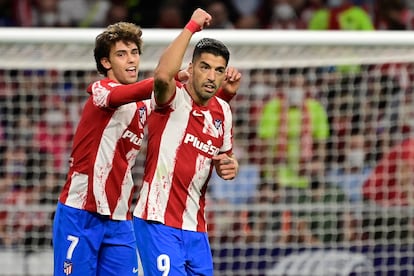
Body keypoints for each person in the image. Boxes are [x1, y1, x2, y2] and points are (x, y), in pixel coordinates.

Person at [52, 20, 239, 276]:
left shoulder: (145, 105)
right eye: (121, 54)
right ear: (106, 63)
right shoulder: (101, 91)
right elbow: (145, 87)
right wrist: (172, 75)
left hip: (119, 217)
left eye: (134, 53)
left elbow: (187, 119)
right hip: (81, 211)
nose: (131, 60)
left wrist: (221, 97)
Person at [132, 8, 241, 275]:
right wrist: (191, 26)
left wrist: (230, 166)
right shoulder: (171, 99)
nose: (211, 76)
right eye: (204, 67)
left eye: (218, 70)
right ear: (190, 69)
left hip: (196, 229)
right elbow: (161, 76)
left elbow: (225, 157)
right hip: (157, 221)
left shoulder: (223, 111)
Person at [257, 69, 330, 189]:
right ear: (285, 87)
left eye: (300, 86)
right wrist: (271, 171)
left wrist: (316, 165)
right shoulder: (272, 107)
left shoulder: (316, 108)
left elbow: (321, 143)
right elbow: (266, 144)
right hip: (278, 177)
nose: (296, 90)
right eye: (292, 85)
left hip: (305, 176)